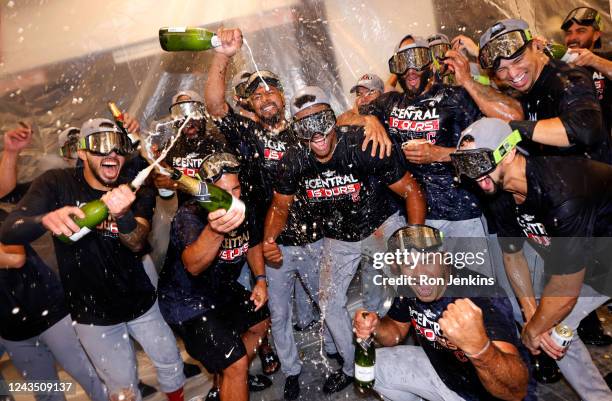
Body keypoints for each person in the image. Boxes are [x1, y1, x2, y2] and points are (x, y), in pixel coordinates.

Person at [0, 118, 186, 401]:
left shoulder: (133, 186)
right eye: (100, 145)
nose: (111, 154)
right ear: (83, 152)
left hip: (140, 302)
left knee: (170, 363)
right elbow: (10, 229)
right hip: (93, 316)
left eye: (117, 146)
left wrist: (123, 214)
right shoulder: (57, 183)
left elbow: (137, 243)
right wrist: (45, 218)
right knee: (122, 391)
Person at [263, 86, 426, 394]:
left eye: (322, 121)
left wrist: (414, 237)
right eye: (305, 126)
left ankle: (422, 347)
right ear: (296, 129)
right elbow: (280, 205)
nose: (317, 134)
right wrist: (270, 238)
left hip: (381, 226)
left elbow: (411, 190)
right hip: (338, 237)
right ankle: (353, 366)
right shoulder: (294, 160)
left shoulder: (362, 146)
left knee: (415, 282)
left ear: (334, 119)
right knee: (329, 302)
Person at [451, 117, 612, 401]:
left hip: (599, 260)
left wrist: (531, 332)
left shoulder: (560, 192)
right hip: (594, 260)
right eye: (465, 166)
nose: (474, 177)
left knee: (547, 324)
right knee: (552, 332)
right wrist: (530, 316)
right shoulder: (499, 190)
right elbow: (512, 255)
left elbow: (564, 293)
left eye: (478, 163)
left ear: (509, 151)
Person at [357, 35, 517, 276]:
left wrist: (439, 154)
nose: (411, 70)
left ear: (430, 62)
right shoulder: (388, 103)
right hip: (417, 214)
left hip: (461, 212)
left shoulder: (455, 97)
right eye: (403, 63)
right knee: (429, 289)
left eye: (418, 59)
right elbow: (345, 120)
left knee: (476, 286)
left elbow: (492, 146)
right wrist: (368, 118)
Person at [354, 224, 533, 401]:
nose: (419, 274)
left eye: (428, 260)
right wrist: (375, 325)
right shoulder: (409, 286)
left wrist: (481, 349)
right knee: (375, 366)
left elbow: (515, 391)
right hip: (443, 373)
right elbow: (395, 332)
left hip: (484, 393)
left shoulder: (482, 296)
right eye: (409, 263)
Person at [0, 126, 106, 401]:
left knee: (90, 378)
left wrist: (11, 152)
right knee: (47, 395)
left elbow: (15, 256)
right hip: (11, 330)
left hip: (46, 307)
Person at [158, 152, 270, 401]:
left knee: (260, 322)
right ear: (207, 192)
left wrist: (260, 279)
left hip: (220, 289)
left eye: (237, 188)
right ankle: (233, 371)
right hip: (186, 301)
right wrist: (215, 230)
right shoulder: (190, 216)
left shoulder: (243, 207)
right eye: (224, 192)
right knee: (237, 363)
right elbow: (193, 265)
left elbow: (252, 244)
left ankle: (225, 378)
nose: (233, 198)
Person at [478, 18, 611, 163]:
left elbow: (585, 129)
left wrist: (514, 128)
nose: (513, 74)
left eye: (518, 61)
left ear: (536, 47)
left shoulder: (568, 77)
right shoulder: (521, 90)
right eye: (502, 69)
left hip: (595, 182)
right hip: (557, 181)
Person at [561, 7, 611, 142]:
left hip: (604, 147)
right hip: (569, 144)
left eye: (581, 31)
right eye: (568, 32)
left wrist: (594, 60)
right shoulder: (558, 65)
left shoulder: (607, 59)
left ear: (596, 35)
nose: (572, 38)